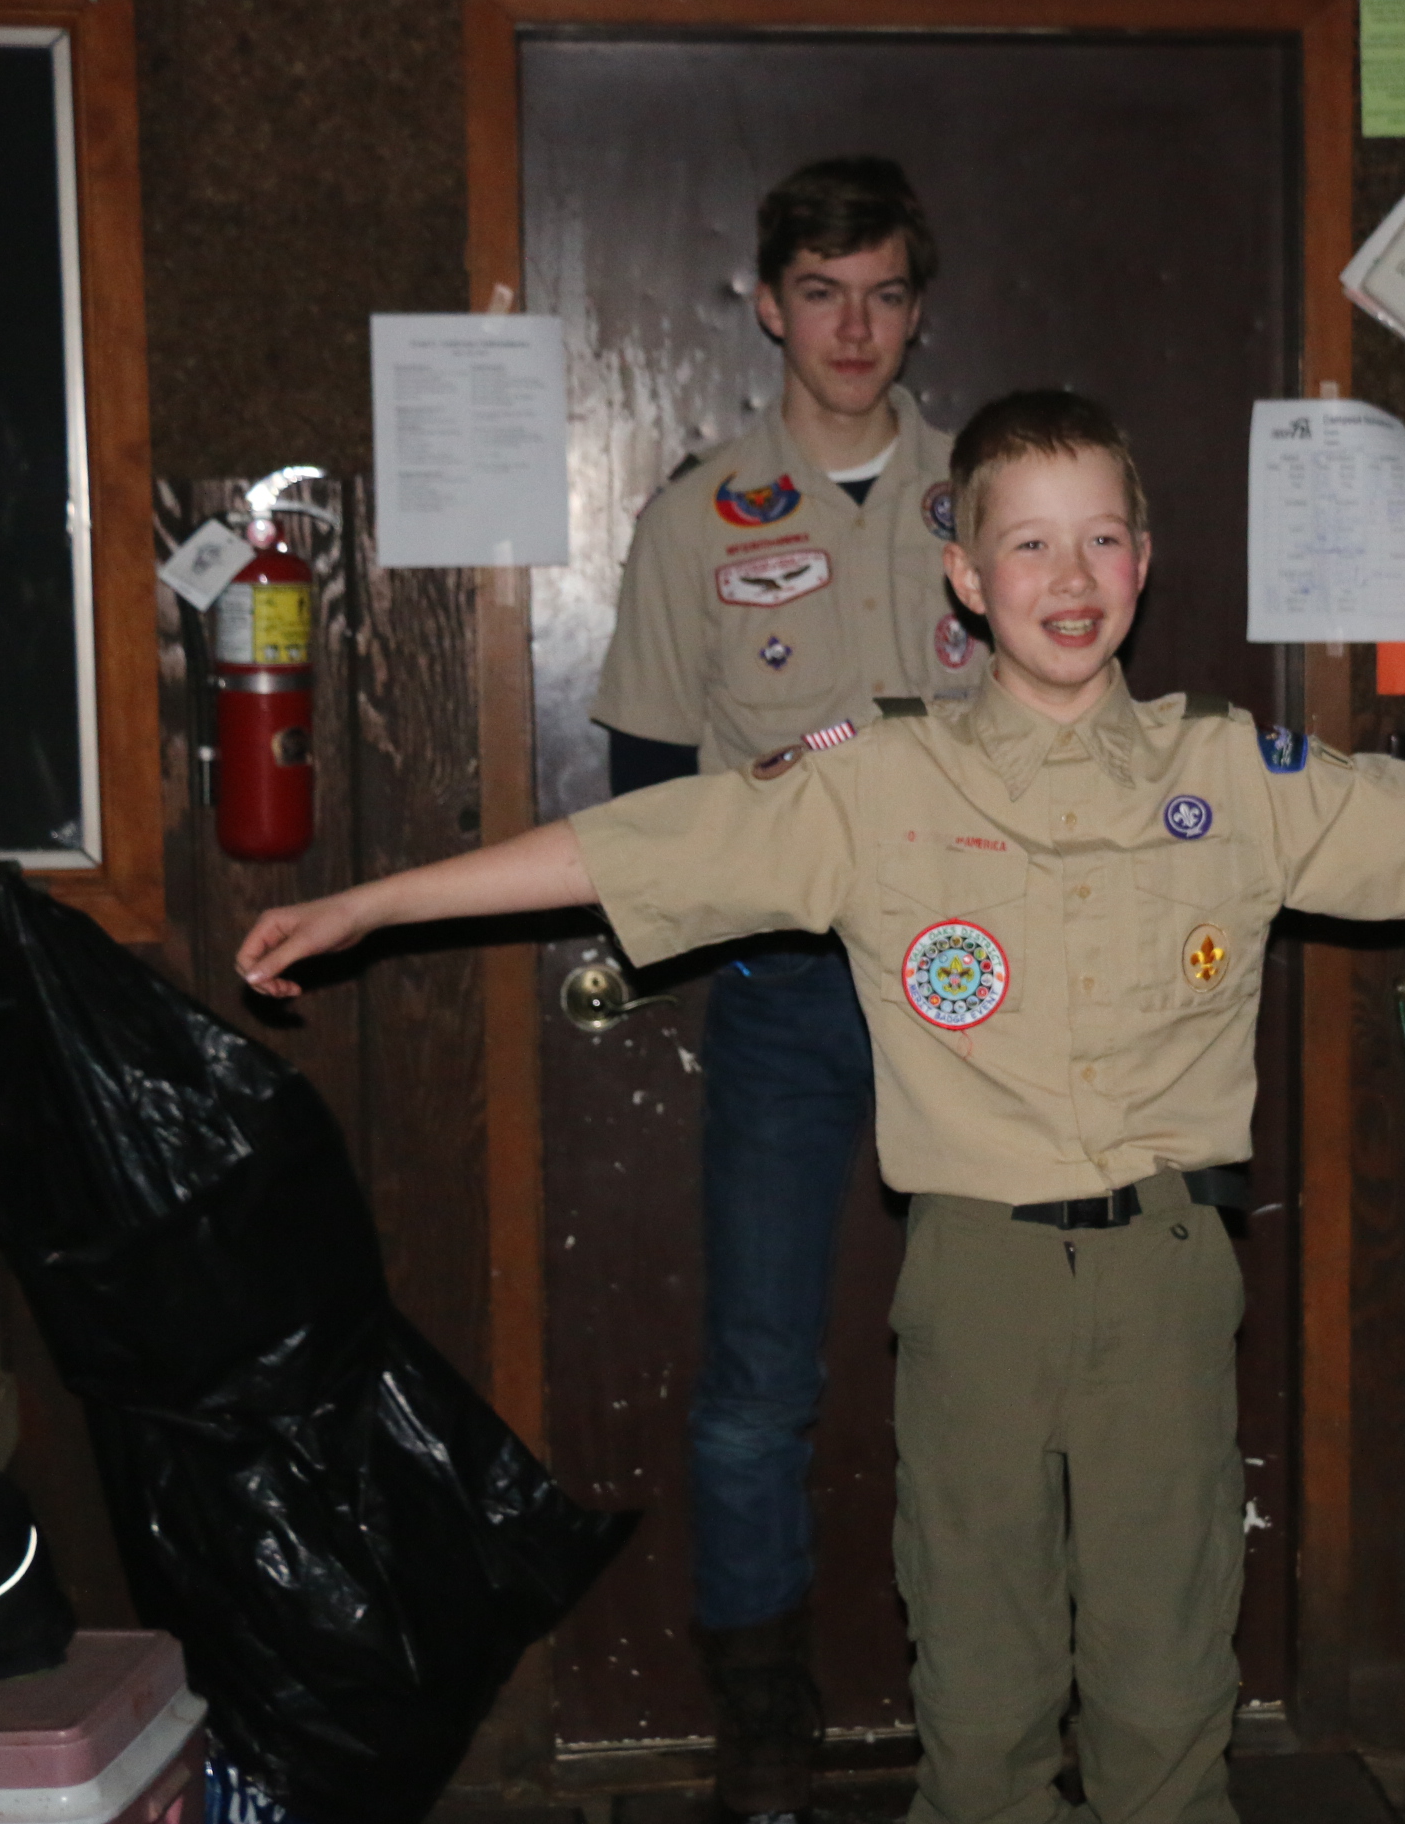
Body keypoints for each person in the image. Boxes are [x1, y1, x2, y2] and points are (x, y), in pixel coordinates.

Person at [238, 391, 1405, 1824]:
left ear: (1145, 563)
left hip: (1166, 1279)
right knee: (982, 1688)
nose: (1068, 579)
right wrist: (372, 905)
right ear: (966, 577)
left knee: (1168, 1686)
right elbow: (627, 852)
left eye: (1100, 541)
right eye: (1027, 545)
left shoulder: (1239, 775)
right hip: (979, 1284)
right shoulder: (875, 785)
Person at [586, 156, 975, 1816]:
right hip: (793, 1002)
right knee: (757, 1386)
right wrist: (736, 928)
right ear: (767, 306)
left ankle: (998, 1689)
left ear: (918, 308)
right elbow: (645, 785)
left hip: (977, 988)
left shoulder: (995, 492)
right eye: (822, 295)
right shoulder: (700, 516)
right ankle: (764, 1719)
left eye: (883, 295)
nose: (854, 330)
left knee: (996, 1356)